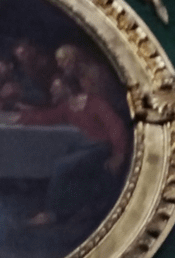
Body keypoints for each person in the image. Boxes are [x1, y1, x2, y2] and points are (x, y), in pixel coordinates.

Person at [15, 76, 129, 225]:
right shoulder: (67, 106)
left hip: (102, 148)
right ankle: (70, 210)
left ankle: (51, 214)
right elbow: (47, 117)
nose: (51, 90)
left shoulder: (95, 103)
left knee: (61, 166)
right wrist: (21, 118)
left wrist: (119, 155)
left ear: (67, 88)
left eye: (56, 87)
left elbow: (116, 127)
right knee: (62, 161)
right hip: (86, 147)